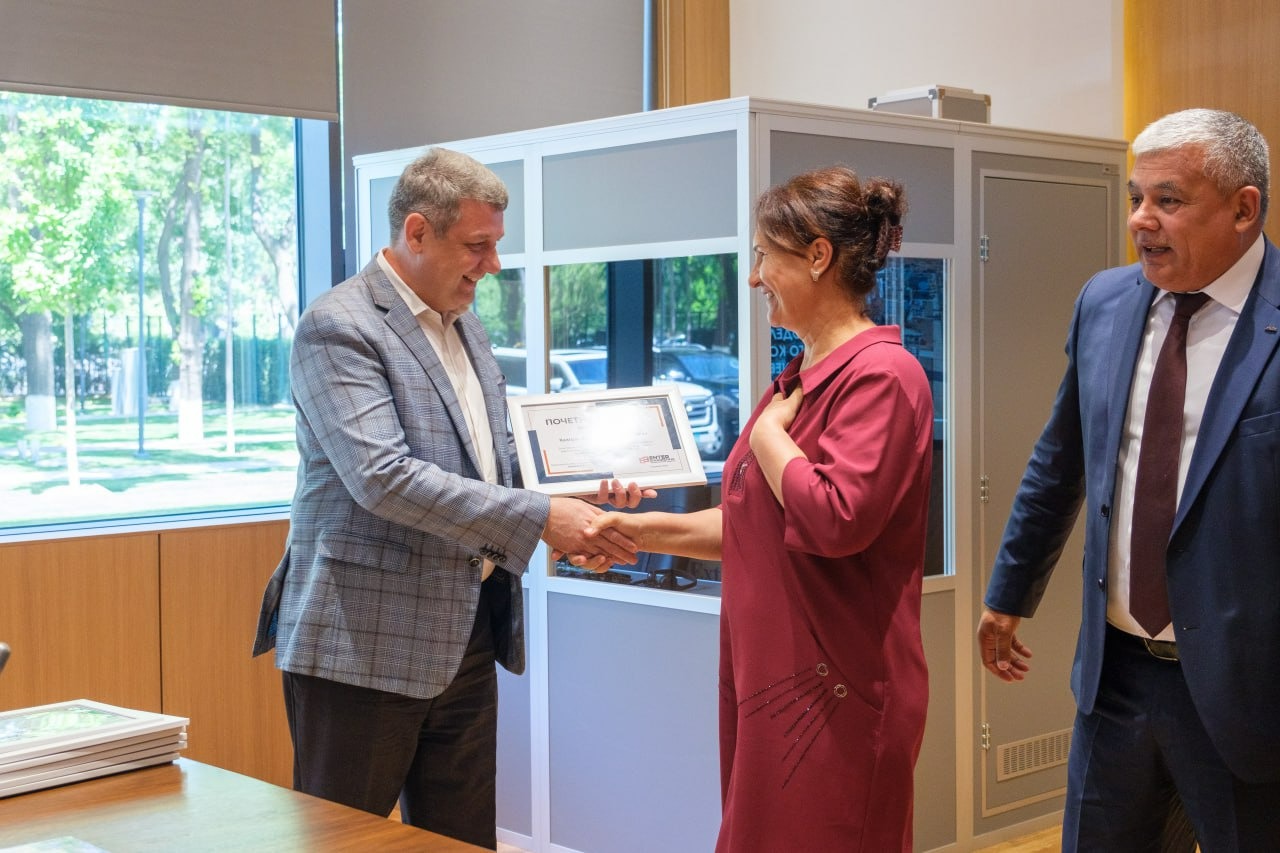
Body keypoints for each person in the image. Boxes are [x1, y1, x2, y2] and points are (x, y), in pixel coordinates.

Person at [251, 147, 646, 849]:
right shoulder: (338, 325)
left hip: (465, 631)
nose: (493, 264)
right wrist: (544, 518)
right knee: (344, 842)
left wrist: (577, 495)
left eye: (495, 244)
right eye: (477, 245)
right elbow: (383, 476)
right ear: (417, 232)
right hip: (362, 642)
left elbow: (489, 461)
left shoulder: (466, 325)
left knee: (462, 841)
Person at [581, 166, 934, 851]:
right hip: (771, 675)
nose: (753, 277)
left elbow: (833, 519)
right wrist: (631, 531)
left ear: (818, 256)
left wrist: (769, 435)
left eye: (765, 255)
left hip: (834, 687)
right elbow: (749, 525)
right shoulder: (799, 380)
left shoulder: (884, 377)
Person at [978, 108, 1280, 851]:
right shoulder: (1105, 303)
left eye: (1168, 200)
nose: (1141, 220)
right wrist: (1009, 593)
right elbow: (1060, 461)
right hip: (1115, 678)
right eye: (1136, 197)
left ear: (1244, 208)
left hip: (1250, 694)